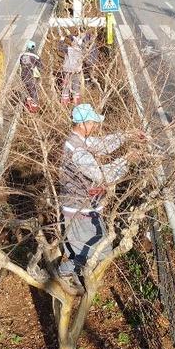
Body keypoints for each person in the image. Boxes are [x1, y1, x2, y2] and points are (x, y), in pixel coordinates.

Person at [57, 104, 140, 294]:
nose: (95, 126)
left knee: (86, 248)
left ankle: (75, 274)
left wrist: (127, 135)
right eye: (92, 122)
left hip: (82, 207)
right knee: (100, 251)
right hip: (80, 210)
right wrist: (127, 160)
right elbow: (104, 176)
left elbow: (102, 145)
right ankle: (63, 273)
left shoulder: (78, 141)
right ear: (82, 124)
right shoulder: (78, 151)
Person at [18, 40, 42, 113]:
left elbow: (21, 64)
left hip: (23, 75)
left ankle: (27, 105)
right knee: (33, 91)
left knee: (26, 90)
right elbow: (40, 67)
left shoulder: (22, 56)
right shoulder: (36, 57)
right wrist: (38, 77)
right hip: (31, 75)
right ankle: (33, 107)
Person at [60, 35, 84, 105]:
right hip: (77, 71)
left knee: (66, 87)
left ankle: (64, 103)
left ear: (74, 42)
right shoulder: (81, 50)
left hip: (68, 71)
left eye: (73, 41)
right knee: (76, 87)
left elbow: (60, 47)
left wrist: (61, 40)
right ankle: (76, 103)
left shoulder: (69, 49)